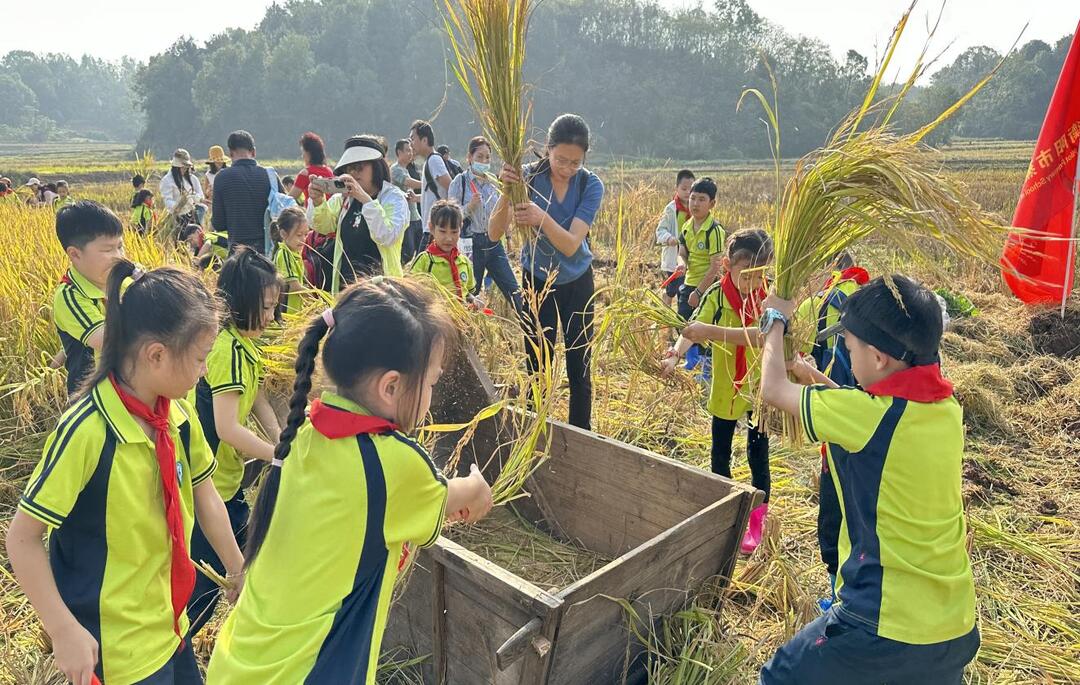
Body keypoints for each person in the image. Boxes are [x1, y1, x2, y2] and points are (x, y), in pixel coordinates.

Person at [206, 278, 493, 684]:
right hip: (306, 673)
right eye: (430, 382)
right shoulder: (395, 463)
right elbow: (461, 496)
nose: (431, 394)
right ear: (391, 386)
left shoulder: (303, 432)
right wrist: (479, 487)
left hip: (239, 661)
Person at [7, 259, 244, 685]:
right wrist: (62, 630)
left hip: (172, 624)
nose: (205, 370)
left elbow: (206, 496)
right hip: (114, 646)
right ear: (157, 354)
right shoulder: (88, 431)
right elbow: (22, 536)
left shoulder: (178, 418)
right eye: (200, 358)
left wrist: (236, 567)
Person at [757, 274, 979, 684]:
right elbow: (870, 416)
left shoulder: (864, 416)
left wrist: (775, 319)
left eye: (849, 344)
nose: (844, 348)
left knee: (778, 678)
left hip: (883, 622)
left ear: (878, 358)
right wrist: (820, 382)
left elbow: (771, 388)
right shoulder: (947, 409)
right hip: (954, 624)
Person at [187, 248, 282, 636]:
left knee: (251, 564)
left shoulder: (245, 346)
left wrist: (281, 437)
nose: (273, 316)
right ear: (241, 302)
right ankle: (171, 655)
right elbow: (227, 428)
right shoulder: (225, 350)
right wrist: (278, 457)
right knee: (202, 593)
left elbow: (256, 397)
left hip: (225, 482)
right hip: (207, 484)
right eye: (267, 306)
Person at [662, 228, 774, 553]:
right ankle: (725, 514)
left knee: (758, 456)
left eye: (760, 275)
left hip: (758, 389)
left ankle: (756, 523)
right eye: (747, 275)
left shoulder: (768, 298)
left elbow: (760, 337)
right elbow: (692, 332)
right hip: (726, 388)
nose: (753, 283)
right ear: (727, 265)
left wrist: (709, 330)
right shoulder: (716, 296)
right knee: (719, 454)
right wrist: (675, 353)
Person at [490, 113, 605, 430]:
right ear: (547, 149)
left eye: (575, 162)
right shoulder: (526, 178)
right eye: (560, 160)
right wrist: (505, 191)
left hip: (578, 281)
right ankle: (533, 432)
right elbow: (494, 232)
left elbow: (570, 245)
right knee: (538, 363)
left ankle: (582, 435)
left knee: (579, 365)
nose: (567, 169)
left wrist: (540, 217)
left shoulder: (590, 184)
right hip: (536, 280)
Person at [793, 252, 870, 609]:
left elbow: (777, 387)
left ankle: (838, 595)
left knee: (834, 516)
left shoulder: (816, 304)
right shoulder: (872, 303)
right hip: (863, 424)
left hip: (837, 430)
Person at [310, 135, 408, 285]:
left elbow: (387, 235)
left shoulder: (394, 198)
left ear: (376, 167)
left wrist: (365, 199)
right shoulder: (343, 199)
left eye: (359, 167)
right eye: (349, 168)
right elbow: (323, 226)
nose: (354, 173)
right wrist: (318, 202)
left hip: (384, 290)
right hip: (347, 289)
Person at [52, 201, 124, 396]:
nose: (118, 256)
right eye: (107, 250)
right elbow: (110, 339)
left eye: (120, 246)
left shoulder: (122, 282)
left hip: (128, 390)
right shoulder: (70, 296)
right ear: (75, 254)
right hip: (92, 399)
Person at [448, 136, 522, 312]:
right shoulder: (460, 182)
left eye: (487, 157)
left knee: (515, 292)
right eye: (479, 157)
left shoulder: (494, 182)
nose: (484, 161)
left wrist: (509, 236)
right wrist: (469, 207)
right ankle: (470, 334)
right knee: (471, 296)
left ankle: (531, 329)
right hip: (471, 246)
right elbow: (450, 217)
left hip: (494, 244)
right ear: (469, 157)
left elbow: (502, 212)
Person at [211, 130, 284, 255]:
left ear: (230, 153)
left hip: (237, 254)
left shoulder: (221, 178)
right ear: (254, 151)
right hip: (268, 253)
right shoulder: (270, 176)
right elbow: (285, 215)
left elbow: (219, 224)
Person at [677, 177, 725, 321]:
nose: (695, 204)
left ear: (712, 204)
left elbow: (715, 267)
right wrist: (682, 263)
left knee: (702, 330)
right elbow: (682, 253)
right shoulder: (686, 227)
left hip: (707, 288)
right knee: (683, 325)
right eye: (693, 198)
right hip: (688, 283)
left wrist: (699, 292)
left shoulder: (714, 230)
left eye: (702, 199)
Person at [410, 200, 476, 302]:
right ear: (431, 228)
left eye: (454, 232)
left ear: (460, 228)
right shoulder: (425, 260)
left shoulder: (464, 262)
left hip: (461, 316)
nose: (449, 238)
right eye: (443, 231)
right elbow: (410, 292)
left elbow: (468, 293)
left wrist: (474, 301)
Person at [656, 170, 694, 308]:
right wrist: (669, 238)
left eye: (691, 189)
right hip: (674, 258)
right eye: (684, 189)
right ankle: (666, 308)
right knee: (674, 288)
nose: (687, 192)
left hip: (690, 258)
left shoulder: (695, 209)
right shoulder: (671, 209)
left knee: (684, 289)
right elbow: (660, 231)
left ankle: (679, 316)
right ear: (676, 188)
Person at [410, 120, 450, 244]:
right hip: (432, 228)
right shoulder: (429, 161)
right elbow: (436, 192)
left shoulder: (434, 160)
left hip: (434, 229)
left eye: (413, 139)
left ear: (425, 140)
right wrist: (416, 198)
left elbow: (451, 187)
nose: (411, 144)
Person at [272, 206, 312, 313]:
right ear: (283, 234)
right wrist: (316, 294)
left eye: (305, 234)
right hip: (287, 312)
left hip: (296, 310)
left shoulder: (295, 253)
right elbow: (294, 287)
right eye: (299, 235)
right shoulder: (285, 254)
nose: (303, 239)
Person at [390, 138, 424, 262]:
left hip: (415, 216)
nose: (410, 153)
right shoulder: (395, 169)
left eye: (411, 150)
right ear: (399, 152)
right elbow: (408, 182)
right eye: (407, 151)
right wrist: (427, 184)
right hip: (405, 218)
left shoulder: (406, 169)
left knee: (422, 249)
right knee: (407, 253)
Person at [288, 131, 335, 205]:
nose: (302, 156)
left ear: (309, 153)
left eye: (303, 152)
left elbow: (290, 199)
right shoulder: (329, 171)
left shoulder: (305, 173)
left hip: (312, 214)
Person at [160, 149, 204, 227]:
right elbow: (167, 200)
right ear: (176, 167)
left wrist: (194, 198)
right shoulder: (167, 180)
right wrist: (178, 205)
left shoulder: (193, 179)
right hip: (177, 219)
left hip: (192, 215)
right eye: (183, 167)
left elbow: (200, 195)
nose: (185, 170)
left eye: (186, 168)